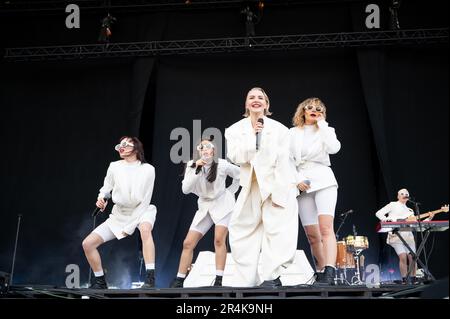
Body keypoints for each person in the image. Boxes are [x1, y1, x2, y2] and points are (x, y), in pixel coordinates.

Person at [225, 87, 299, 288]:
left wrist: (286, 188)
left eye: (260, 98)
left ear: (266, 105)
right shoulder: (233, 130)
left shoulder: (281, 130)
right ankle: (245, 280)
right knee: (241, 230)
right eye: (251, 97)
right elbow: (236, 156)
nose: (256, 100)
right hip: (251, 185)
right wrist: (252, 138)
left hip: (276, 184)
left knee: (277, 230)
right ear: (246, 104)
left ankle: (272, 276)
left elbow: (288, 160)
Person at [82, 136, 157, 289]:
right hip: (119, 214)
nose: (121, 148)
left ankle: (150, 278)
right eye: (120, 145)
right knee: (88, 244)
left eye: (125, 144)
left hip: (142, 210)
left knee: (145, 229)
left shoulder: (148, 169)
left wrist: (133, 224)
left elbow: (146, 198)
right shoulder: (114, 166)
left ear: (135, 148)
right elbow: (106, 188)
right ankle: (100, 281)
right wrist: (102, 199)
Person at [170, 137, 240, 288]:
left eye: (208, 147)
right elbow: (185, 189)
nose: (205, 150)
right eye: (202, 147)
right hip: (204, 206)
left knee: (219, 240)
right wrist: (196, 168)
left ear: (213, 151)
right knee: (188, 243)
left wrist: (230, 192)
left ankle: (219, 280)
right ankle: (179, 279)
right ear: (198, 151)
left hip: (223, 205)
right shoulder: (192, 165)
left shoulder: (222, 164)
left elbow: (240, 175)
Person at [288, 97, 341, 285]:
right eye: (309, 107)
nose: (313, 110)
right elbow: (286, 160)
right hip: (302, 182)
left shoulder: (326, 130)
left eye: (318, 108)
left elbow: (334, 148)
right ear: (302, 111)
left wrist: (323, 124)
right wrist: (297, 179)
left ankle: (330, 271)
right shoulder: (292, 133)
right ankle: (319, 272)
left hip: (324, 179)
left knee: (326, 228)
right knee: (311, 234)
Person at [375, 188, 435, 284]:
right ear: (398, 196)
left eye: (406, 194)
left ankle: (414, 279)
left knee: (413, 257)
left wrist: (429, 218)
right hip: (396, 236)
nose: (404, 195)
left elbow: (418, 226)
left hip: (408, 236)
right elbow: (378, 213)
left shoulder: (410, 211)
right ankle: (404, 279)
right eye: (402, 194)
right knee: (403, 257)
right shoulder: (392, 205)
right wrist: (387, 220)